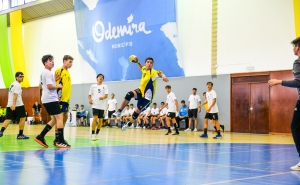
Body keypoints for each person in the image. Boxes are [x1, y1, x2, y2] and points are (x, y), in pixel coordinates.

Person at [268, 37, 300, 171]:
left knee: (296, 127)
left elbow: (298, 81)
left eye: (293, 46)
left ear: (297, 47)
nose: (293, 49)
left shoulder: (298, 62)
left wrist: (278, 81)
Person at [112, 56, 169, 131]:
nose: (149, 64)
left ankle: (129, 124)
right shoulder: (144, 69)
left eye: (151, 63)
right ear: (145, 63)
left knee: (136, 112)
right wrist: (138, 62)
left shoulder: (153, 72)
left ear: (152, 65)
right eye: (147, 62)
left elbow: (160, 73)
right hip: (140, 91)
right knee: (129, 94)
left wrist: (164, 77)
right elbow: (141, 67)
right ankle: (119, 111)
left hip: (147, 98)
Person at [34, 54, 70, 148]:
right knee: (59, 118)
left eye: (53, 60)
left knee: (54, 119)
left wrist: (54, 80)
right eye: (50, 60)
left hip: (46, 99)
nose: (52, 62)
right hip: (51, 99)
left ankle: (40, 137)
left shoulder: (44, 73)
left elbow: (41, 86)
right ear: (45, 63)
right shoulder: (48, 73)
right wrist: (57, 86)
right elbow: (49, 87)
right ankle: (60, 141)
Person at [0, 72, 29, 139]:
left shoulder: (12, 84)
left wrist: (12, 104)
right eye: (20, 76)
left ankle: (1, 131)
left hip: (9, 104)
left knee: (8, 119)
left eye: (22, 76)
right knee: (23, 118)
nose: (22, 77)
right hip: (18, 104)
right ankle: (20, 134)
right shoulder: (17, 85)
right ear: (16, 77)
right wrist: (14, 104)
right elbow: (15, 95)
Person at [53, 55, 74, 145]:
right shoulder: (59, 70)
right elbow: (57, 84)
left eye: (72, 62)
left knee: (65, 117)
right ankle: (57, 139)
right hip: (61, 99)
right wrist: (58, 97)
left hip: (67, 99)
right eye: (70, 62)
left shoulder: (67, 72)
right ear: (64, 61)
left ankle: (60, 137)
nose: (71, 64)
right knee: (59, 118)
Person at [88, 74, 108, 141]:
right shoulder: (92, 86)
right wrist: (90, 100)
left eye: (102, 77)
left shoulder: (105, 86)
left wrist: (103, 97)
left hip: (102, 106)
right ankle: (93, 134)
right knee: (95, 118)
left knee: (100, 120)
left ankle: (97, 134)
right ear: (97, 78)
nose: (101, 78)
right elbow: (89, 95)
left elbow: (106, 95)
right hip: (95, 105)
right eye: (100, 77)